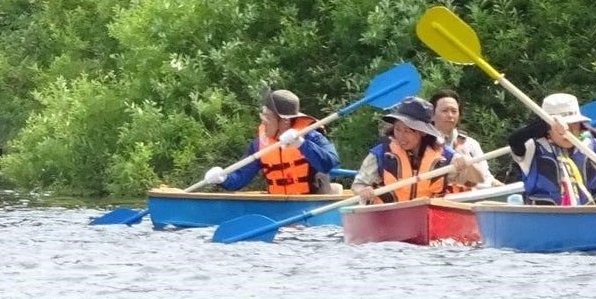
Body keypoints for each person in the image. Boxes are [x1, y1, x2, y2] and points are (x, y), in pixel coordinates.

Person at [206, 89, 341, 195]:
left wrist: (302, 145)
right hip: (279, 205)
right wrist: (223, 178)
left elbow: (331, 164)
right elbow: (241, 177)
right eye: (262, 115)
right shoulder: (259, 144)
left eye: (267, 117)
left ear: (284, 121)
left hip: (310, 205)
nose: (263, 121)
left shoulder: (310, 136)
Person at [353, 96, 485, 203]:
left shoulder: (444, 156)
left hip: (428, 218)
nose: (401, 136)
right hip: (388, 218)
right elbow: (358, 184)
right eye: (397, 129)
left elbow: (478, 180)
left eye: (407, 131)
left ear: (422, 132)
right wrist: (363, 190)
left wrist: (468, 163)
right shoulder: (381, 153)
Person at [507, 93, 596, 206]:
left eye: (573, 124)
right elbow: (514, 140)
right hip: (543, 219)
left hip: (588, 218)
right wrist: (549, 122)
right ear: (547, 128)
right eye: (562, 126)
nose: (567, 131)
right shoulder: (531, 148)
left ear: (580, 124)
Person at [431, 89, 494, 186]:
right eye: (445, 111)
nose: (450, 115)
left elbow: (486, 178)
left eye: (454, 111)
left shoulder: (471, 144)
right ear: (432, 115)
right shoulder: (422, 142)